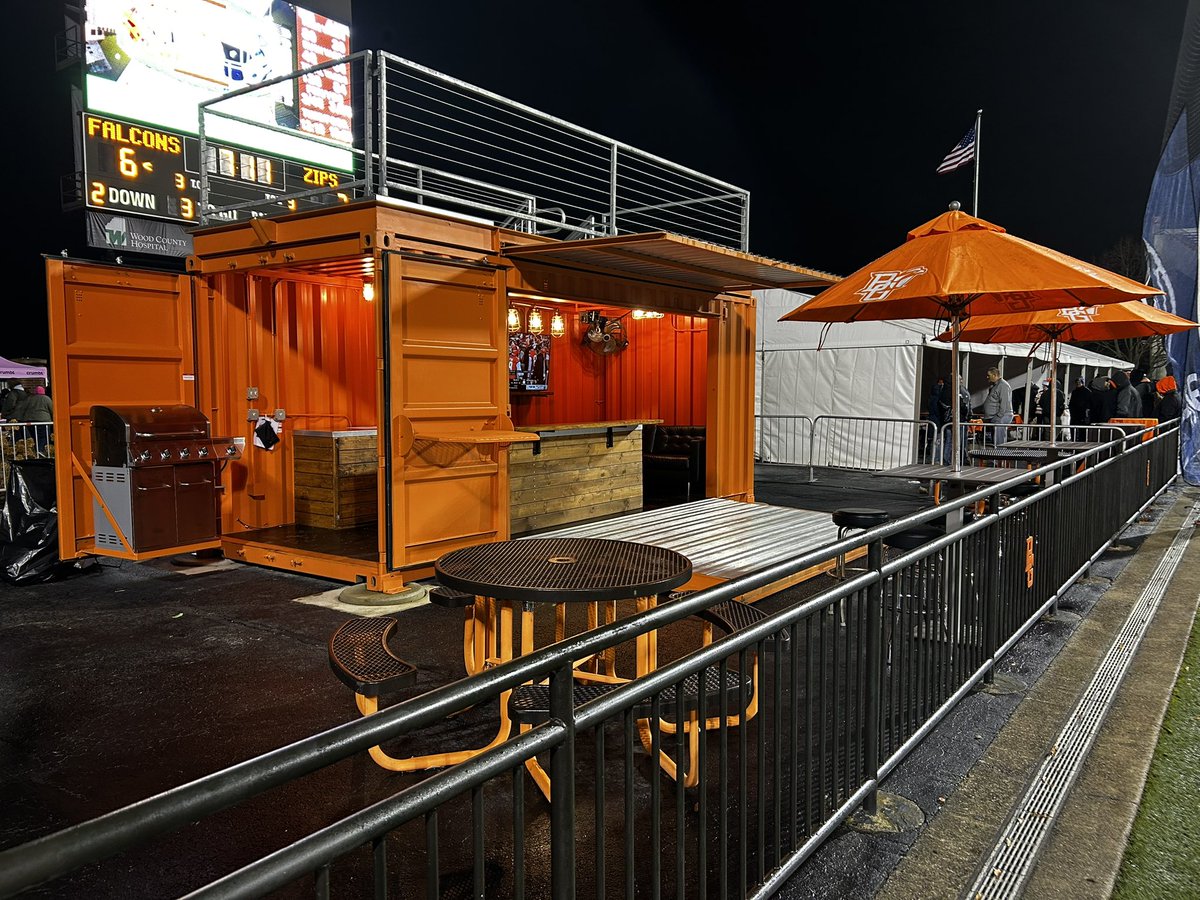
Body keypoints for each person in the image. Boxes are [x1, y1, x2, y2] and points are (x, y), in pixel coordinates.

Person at [16, 385, 53, 455]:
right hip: (43, 421)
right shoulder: (46, 399)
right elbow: (52, 409)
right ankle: (40, 451)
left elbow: (22, 409)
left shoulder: (29, 399)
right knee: (43, 437)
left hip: (29, 421)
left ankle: (35, 451)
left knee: (33, 437)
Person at [980, 367, 1014, 444]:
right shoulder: (996, 385)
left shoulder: (1003, 385)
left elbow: (1004, 402)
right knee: (996, 439)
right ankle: (998, 450)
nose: (987, 377)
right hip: (997, 417)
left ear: (994, 375)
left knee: (999, 440)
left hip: (1002, 416)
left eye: (989, 375)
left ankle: (1000, 451)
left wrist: (999, 417)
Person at [1069, 376, 1092, 441]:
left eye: (1079, 382)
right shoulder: (1087, 391)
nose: (1078, 383)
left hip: (1079, 414)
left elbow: (1072, 403)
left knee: (1077, 429)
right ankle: (1079, 440)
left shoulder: (1076, 392)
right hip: (1080, 414)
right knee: (1081, 430)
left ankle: (1076, 440)